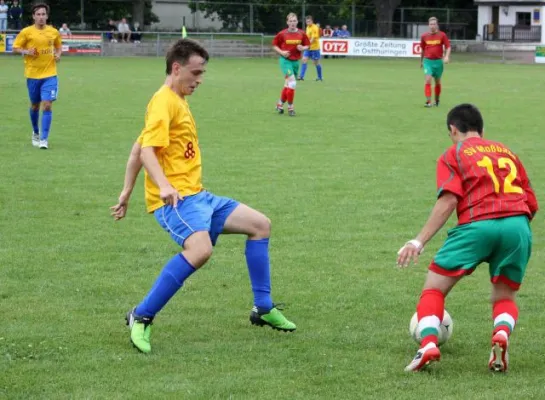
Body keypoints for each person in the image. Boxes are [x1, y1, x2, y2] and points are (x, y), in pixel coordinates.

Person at [110, 39, 296, 354]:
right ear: (177, 67)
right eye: (196, 73)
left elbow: (137, 146)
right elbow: (147, 151)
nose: (199, 80)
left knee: (260, 225)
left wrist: (126, 191)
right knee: (200, 251)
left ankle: (262, 308)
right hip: (176, 201)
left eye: (203, 73)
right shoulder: (163, 102)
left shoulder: (177, 100)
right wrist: (163, 185)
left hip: (199, 196)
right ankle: (140, 316)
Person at [397, 104, 538, 373]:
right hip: (518, 225)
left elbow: (449, 199)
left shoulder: (454, 154)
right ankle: (501, 336)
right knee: (504, 295)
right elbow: (530, 201)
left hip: (477, 225)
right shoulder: (507, 151)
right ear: (481, 130)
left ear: (453, 129)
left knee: (434, 289)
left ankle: (427, 344)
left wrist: (418, 241)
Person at [12, 3, 62, 150]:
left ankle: (44, 139)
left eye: (43, 14)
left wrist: (58, 55)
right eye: (38, 14)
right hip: (32, 75)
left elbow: (58, 46)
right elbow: (15, 48)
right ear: (33, 16)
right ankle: (35, 131)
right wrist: (27, 52)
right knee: (35, 105)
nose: (41, 17)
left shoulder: (53, 32)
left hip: (50, 74)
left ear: (47, 16)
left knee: (47, 104)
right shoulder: (26, 32)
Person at [272, 12, 310, 116]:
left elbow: (307, 45)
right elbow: (274, 45)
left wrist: (303, 48)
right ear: (287, 22)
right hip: (285, 61)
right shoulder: (282, 34)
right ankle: (290, 107)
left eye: (294, 21)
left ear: (297, 22)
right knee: (292, 83)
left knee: (288, 84)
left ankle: (279, 104)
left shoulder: (301, 33)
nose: (292, 23)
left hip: (295, 62)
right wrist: (282, 52)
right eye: (290, 21)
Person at [420, 17, 450, 107]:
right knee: (428, 80)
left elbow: (448, 46)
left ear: (437, 25)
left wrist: (447, 56)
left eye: (434, 24)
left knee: (437, 82)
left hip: (438, 62)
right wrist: (421, 61)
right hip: (427, 61)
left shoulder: (442, 35)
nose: (432, 26)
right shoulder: (424, 36)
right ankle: (428, 102)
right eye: (431, 24)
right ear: (428, 25)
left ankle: (437, 100)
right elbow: (422, 49)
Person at [298, 15, 322, 82]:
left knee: (316, 63)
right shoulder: (307, 27)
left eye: (309, 21)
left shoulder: (315, 27)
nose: (307, 23)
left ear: (312, 21)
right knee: (304, 60)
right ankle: (301, 77)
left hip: (315, 48)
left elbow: (313, 39)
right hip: (308, 48)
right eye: (307, 21)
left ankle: (320, 77)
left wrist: (306, 45)